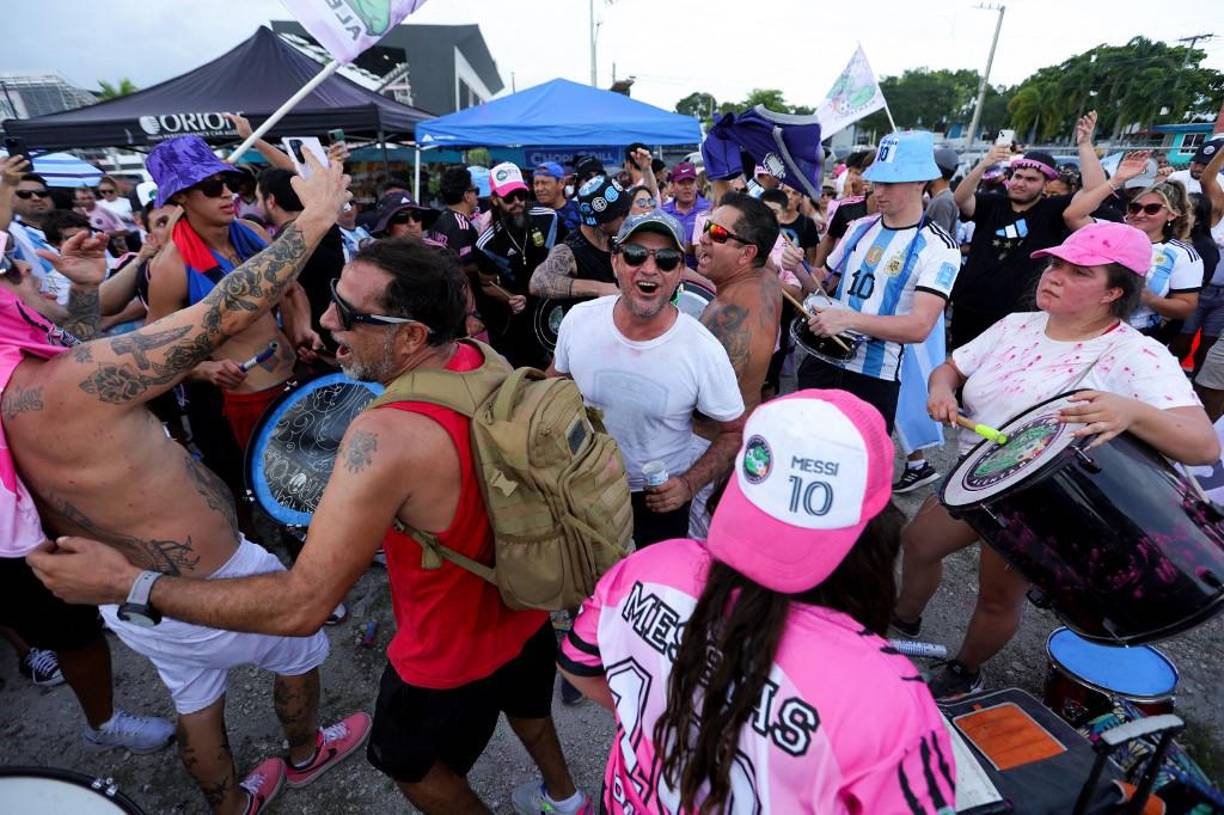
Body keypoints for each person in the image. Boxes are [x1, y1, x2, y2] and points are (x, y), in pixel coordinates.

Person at [31, 237, 592, 815]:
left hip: (446, 649)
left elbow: (303, 606)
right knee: (529, 707)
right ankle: (565, 795)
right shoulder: (481, 356)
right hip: (524, 603)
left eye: (347, 314)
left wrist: (129, 586)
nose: (326, 319)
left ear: (410, 336)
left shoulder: (385, 439)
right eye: (331, 299)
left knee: (409, 766)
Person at [16, 154, 371, 815]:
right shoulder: (67, 383)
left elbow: (80, 351)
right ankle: (303, 750)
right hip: (208, 579)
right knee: (299, 648)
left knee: (195, 699)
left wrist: (89, 292)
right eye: (20, 274)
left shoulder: (34, 387)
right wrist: (318, 214)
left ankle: (230, 803)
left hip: (130, 597)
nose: (34, 280)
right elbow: (224, 311)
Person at [559, 390, 956, 814]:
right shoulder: (887, 700)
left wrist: (659, 719)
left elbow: (576, 666)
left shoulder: (650, 566)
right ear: (877, 530)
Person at [894, 222, 1218, 699]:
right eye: (1055, 264)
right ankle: (904, 619)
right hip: (975, 479)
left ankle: (966, 669)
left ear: (1114, 291)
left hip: (1039, 504)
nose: (1055, 275)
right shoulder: (1016, 325)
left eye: (1078, 271)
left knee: (997, 596)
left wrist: (1132, 411)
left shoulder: (1137, 355)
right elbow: (952, 367)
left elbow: (1203, 445)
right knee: (918, 542)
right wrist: (942, 389)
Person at [0, 245, 175, 755]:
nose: (29, 267)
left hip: (40, 517)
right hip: (16, 538)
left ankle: (99, 718)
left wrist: (81, 291)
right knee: (68, 630)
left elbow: (74, 350)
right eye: (9, 267)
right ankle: (97, 719)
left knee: (76, 629)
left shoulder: (18, 332)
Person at [549, 210, 743, 545]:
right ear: (615, 262)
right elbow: (555, 385)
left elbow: (735, 431)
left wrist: (688, 485)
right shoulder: (579, 321)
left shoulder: (702, 349)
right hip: (584, 488)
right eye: (636, 254)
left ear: (680, 271)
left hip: (658, 500)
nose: (649, 268)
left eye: (666, 259)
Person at [796, 131, 961, 434]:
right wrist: (798, 268)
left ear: (919, 182)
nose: (878, 191)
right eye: (876, 181)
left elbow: (919, 327)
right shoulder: (859, 227)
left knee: (859, 472)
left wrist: (849, 320)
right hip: (822, 360)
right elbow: (822, 285)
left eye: (889, 182)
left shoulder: (939, 246)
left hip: (873, 378)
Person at [144, 136, 299, 452]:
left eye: (229, 182)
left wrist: (302, 328)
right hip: (247, 401)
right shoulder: (172, 267)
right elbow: (152, 352)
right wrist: (205, 370)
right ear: (182, 197)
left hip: (295, 379)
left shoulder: (252, 234)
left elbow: (291, 288)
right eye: (212, 187)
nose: (228, 193)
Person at [685, 193, 783, 536]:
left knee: (702, 550)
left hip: (708, 450)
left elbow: (702, 410)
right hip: (738, 438)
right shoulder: (766, 279)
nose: (703, 238)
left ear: (747, 253)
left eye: (718, 234)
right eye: (707, 227)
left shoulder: (733, 314)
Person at [950, 142, 1088, 348]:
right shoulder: (992, 203)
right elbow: (960, 198)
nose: (1021, 183)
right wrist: (984, 164)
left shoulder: (1054, 211)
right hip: (970, 307)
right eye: (1018, 176)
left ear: (1046, 184)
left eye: (1031, 179)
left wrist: (1085, 145)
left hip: (1020, 317)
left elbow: (1092, 189)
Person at [1065, 161, 1201, 341]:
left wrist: (1146, 297)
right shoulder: (1112, 232)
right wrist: (1117, 180)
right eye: (1135, 207)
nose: (1140, 214)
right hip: (1085, 323)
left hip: (1136, 335)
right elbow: (1073, 215)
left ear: (1171, 215)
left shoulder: (1182, 254)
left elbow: (1185, 307)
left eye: (1151, 209)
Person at [475, 162, 560, 369]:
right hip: (517, 322)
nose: (517, 202)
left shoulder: (548, 219)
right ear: (494, 200)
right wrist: (509, 298)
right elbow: (487, 285)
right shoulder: (486, 244)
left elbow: (567, 254)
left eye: (521, 195)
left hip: (552, 307)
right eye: (508, 198)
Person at [257, 168, 344, 360]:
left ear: (270, 200)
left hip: (311, 348)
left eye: (258, 199)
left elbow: (288, 297)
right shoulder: (328, 227)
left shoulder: (280, 248)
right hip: (341, 336)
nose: (257, 205)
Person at [529, 174, 629, 303]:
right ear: (603, 221)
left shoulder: (613, 240)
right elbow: (538, 282)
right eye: (624, 214)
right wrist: (600, 288)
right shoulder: (571, 250)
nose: (628, 217)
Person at [660, 161, 710, 269]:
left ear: (697, 184)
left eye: (691, 182)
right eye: (682, 182)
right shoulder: (663, 213)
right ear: (673, 186)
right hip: (670, 272)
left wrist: (694, 247)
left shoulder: (710, 210)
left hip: (702, 274)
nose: (687, 187)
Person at [761, 187, 821, 264]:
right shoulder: (767, 221)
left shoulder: (807, 223)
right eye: (786, 191)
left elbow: (811, 257)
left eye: (795, 193)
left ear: (801, 199)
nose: (789, 197)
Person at [533, 161, 580, 234]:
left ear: (561, 183)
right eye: (536, 183)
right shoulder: (530, 212)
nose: (539, 189)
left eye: (545, 183)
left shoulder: (580, 211)